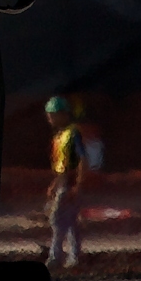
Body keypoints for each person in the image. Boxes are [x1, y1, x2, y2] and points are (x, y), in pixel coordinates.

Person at [45, 95, 84, 268]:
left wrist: (77, 185)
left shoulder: (72, 134)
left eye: (52, 115)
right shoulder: (59, 136)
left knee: (57, 219)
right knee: (70, 221)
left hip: (69, 182)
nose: (50, 119)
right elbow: (62, 164)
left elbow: (81, 160)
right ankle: (74, 257)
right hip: (63, 181)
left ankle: (55, 256)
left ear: (62, 114)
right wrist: (55, 183)